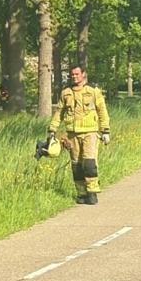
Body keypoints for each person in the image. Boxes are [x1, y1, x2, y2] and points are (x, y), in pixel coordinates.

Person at [47, 64, 111, 204]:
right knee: (76, 165)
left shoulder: (93, 91)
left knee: (89, 162)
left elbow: (102, 111)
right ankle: (81, 193)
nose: (74, 77)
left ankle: (92, 191)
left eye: (77, 74)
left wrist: (105, 130)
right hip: (72, 134)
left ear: (83, 74)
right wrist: (52, 130)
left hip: (90, 132)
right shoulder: (66, 93)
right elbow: (59, 113)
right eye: (72, 75)